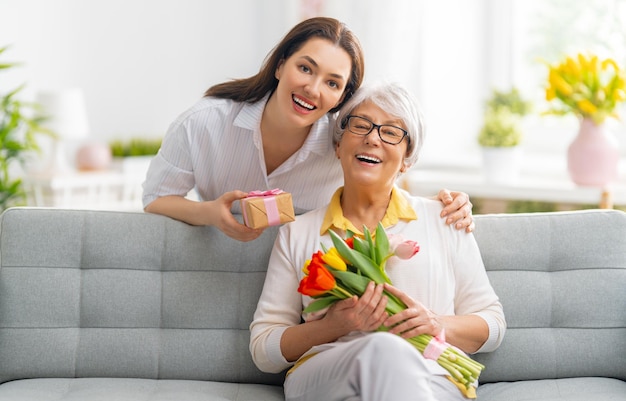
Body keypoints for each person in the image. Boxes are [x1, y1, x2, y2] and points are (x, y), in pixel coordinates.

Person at [249, 81, 506, 400]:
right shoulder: (297, 232)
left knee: (390, 362)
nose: (372, 138)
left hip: (433, 377)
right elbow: (263, 348)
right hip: (328, 375)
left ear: (407, 158)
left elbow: (493, 325)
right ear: (338, 146)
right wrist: (332, 327)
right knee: (383, 349)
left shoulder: (445, 218)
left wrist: (435, 323)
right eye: (360, 126)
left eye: (391, 132)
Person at [142, 17, 474, 242]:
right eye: (305, 68)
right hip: (220, 269)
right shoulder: (203, 123)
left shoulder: (344, 146)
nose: (313, 89)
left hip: (304, 285)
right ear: (280, 64)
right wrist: (209, 213)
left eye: (332, 83)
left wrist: (444, 205)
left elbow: (383, 202)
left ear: (343, 97)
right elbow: (156, 200)